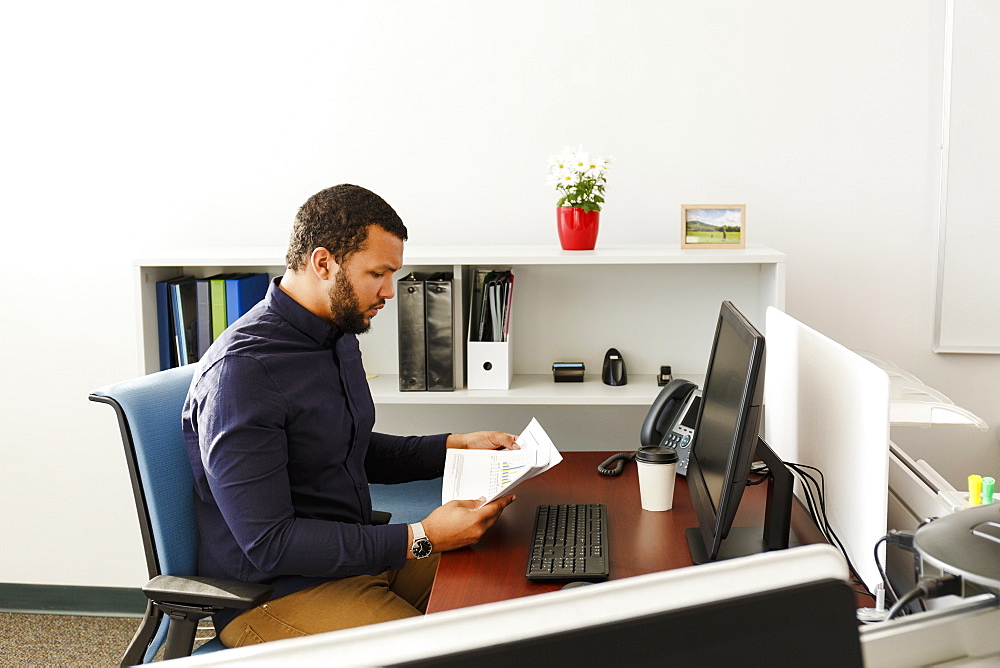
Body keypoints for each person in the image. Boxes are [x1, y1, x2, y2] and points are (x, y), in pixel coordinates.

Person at [182, 184, 518, 648]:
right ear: (323, 263)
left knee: (508, 583)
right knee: (441, 652)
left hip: (355, 559)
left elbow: (348, 447)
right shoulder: (244, 373)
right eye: (378, 273)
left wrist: (452, 445)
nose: (390, 292)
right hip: (276, 593)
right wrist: (421, 536)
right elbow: (270, 542)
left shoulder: (335, 335)